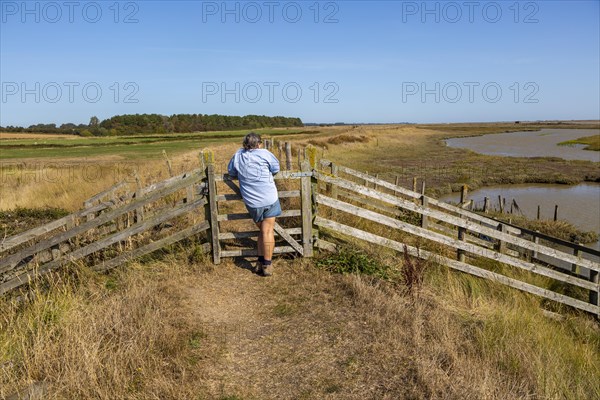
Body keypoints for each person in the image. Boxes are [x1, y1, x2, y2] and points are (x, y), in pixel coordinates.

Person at [228, 132, 281, 276]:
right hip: (269, 198)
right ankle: (267, 265)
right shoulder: (265, 153)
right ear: (259, 143)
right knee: (267, 231)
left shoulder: (238, 155)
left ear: (244, 144)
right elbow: (276, 169)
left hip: (252, 201)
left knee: (262, 231)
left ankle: (259, 261)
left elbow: (231, 172)